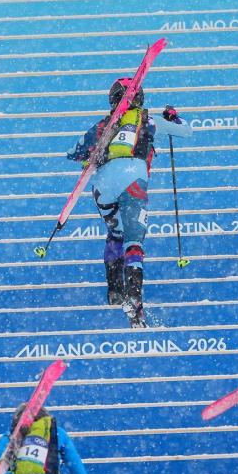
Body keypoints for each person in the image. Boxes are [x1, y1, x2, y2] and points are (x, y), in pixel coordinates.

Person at [66, 78, 192, 327]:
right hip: (132, 178)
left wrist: (91, 154)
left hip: (102, 186)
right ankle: (133, 300)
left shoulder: (104, 124)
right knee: (133, 240)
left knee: (116, 233)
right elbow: (187, 130)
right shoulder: (149, 119)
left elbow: (75, 152)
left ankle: (114, 291)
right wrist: (173, 116)